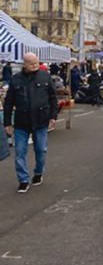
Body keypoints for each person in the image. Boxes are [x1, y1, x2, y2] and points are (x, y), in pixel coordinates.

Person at [3, 53, 58, 193]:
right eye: (31, 63)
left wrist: (53, 117)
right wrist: (7, 123)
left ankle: (38, 172)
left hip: (41, 120)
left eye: (36, 62)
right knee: (20, 152)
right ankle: (23, 180)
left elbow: (53, 98)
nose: (35, 64)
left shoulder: (45, 77)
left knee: (41, 150)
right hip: (21, 122)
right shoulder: (16, 79)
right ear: (24, 64)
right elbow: (8, 102)